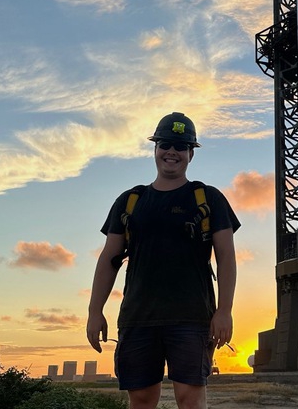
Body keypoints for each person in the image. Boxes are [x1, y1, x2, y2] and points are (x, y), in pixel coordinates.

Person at [87, 112, 240, 409]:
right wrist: (95, 311)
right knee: (141, 400)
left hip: (192, 318)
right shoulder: (130, 201)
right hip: (138, 317)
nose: (172, 151)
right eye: (165, 144)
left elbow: (226, 258)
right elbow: (109, 259)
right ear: (155, 149)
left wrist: (224, 311)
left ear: (191, 154)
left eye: (181, 146)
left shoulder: (209, 199)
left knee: (190, 399)